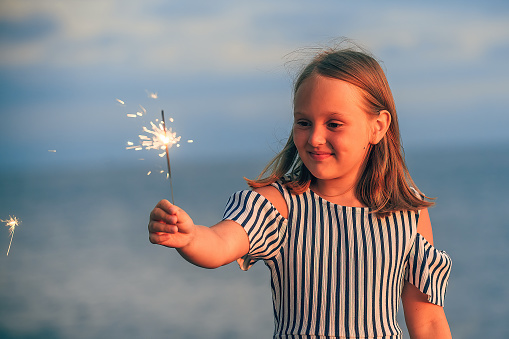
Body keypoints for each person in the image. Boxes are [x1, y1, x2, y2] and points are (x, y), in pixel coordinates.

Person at [148, 44, 452, 338]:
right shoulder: (279, 206)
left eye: (334, 124)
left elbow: (428, 322)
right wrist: (190, 238)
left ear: (378, 126)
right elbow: (220, 243)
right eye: (304, 122)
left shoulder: (407, 215)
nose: (315, 137)